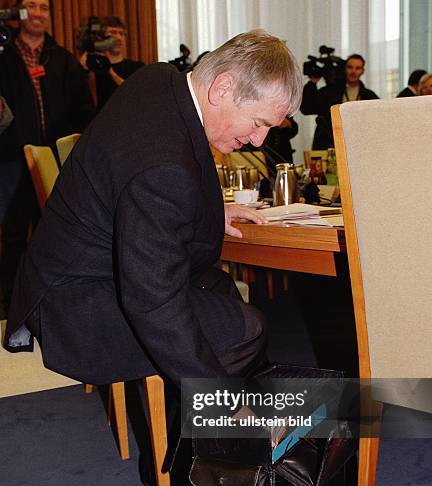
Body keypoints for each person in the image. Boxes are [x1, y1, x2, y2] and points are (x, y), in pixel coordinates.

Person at [5, 30, 302, 398]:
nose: (259, 140)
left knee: (222, 291)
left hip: (69, 274)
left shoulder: (158, 79)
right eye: (258, 123)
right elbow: (154, 301)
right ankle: (226, 432)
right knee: (246, 329)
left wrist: (203, 209)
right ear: (222, 88)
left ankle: (242, 429)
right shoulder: (164, 167)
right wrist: (219, 402)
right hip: (73, 312)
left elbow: (132, 184)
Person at [0, 0, 94, 311]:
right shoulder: (3, 56)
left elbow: (84, 112)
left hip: (54, 161)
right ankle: (12, 305)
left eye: (44, 7)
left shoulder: (63, 59)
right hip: (11, 159)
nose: (38, 13)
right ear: (18, 12)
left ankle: (49, 305)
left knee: (56, 236)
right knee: (12, 235)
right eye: (31, 5)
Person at [300, 53, 379, 149]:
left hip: (359, 146)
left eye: (357, 68)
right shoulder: (329, 92)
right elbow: (306, 109)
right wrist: (312, 83)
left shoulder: (369, 96)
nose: (353, 71)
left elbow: (377, 121)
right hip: (329, 145)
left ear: (362, 71)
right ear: (345, 69)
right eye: (350, 67)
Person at [80, 16, 145, 111]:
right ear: (101, 39)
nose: (118, 38)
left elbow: (136, 96)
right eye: (113, 33)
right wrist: (84, 69)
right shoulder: (94, 68)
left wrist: (110, 72)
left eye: (121, 34)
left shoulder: (137, 67)